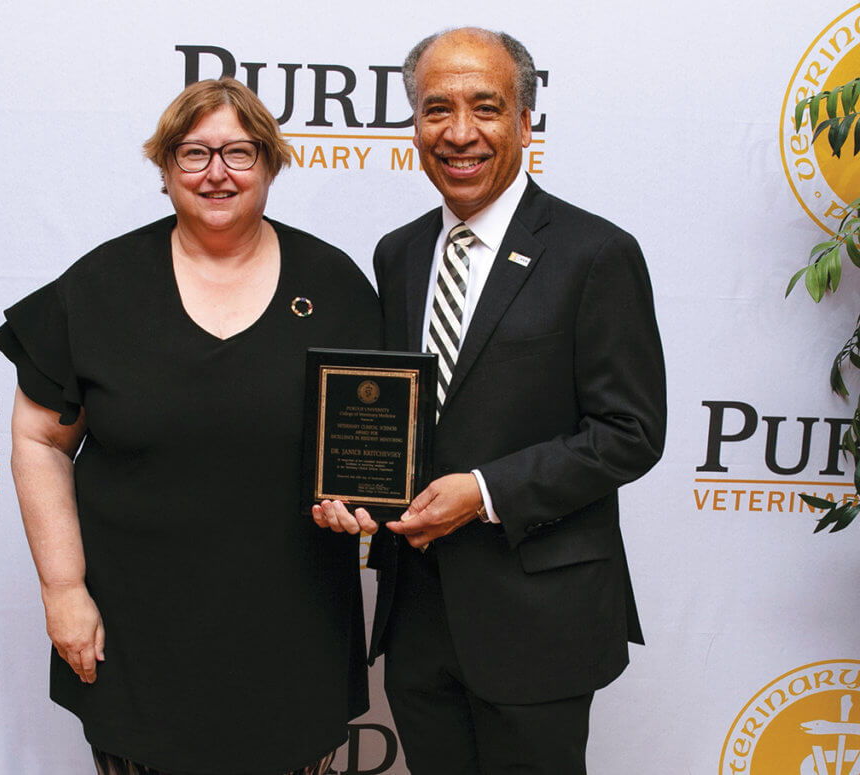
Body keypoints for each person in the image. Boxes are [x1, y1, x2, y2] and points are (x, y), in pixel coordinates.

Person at [0, 77, 380, 775]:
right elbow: (39, 441)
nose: (217, 172)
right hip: (136, 638)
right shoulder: (99, 286)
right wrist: (63, 589)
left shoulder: (336, 285)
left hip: (292, 638)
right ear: (165, 169)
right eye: (194, 153)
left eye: (239, 151)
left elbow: (378, 442)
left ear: (270, 163)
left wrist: (370, 500)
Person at [313, 27, 666, 774]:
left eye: (486, 107)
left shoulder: (595, 253)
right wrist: (356, 495)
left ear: (525, 122)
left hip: (538, 616)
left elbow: (630, 431)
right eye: (437, 109)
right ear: (415, 124)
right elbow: (401, 419)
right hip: (418, 616)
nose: (460, 133)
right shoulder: (399, 251)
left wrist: (482, 491)